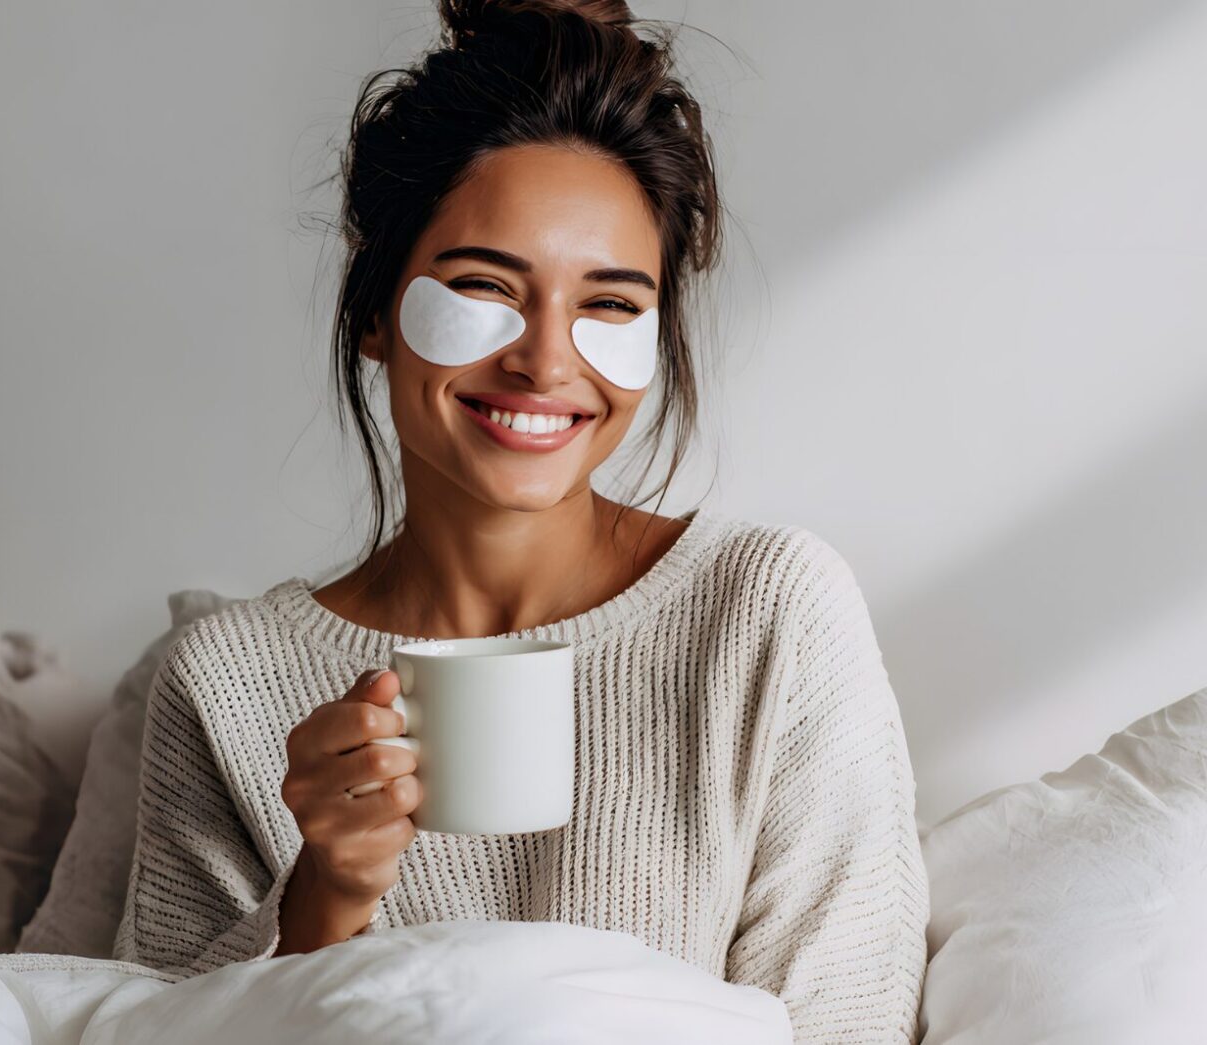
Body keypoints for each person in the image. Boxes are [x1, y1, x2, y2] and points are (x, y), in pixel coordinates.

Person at [114, 1, 929, 1040]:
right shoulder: (223, 679)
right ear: (374, 308)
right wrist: (321, 902)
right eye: (483, 287)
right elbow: (142, 1025)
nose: (545, 361)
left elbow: (846, 1020)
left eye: (609, 304)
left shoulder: (768, 614)